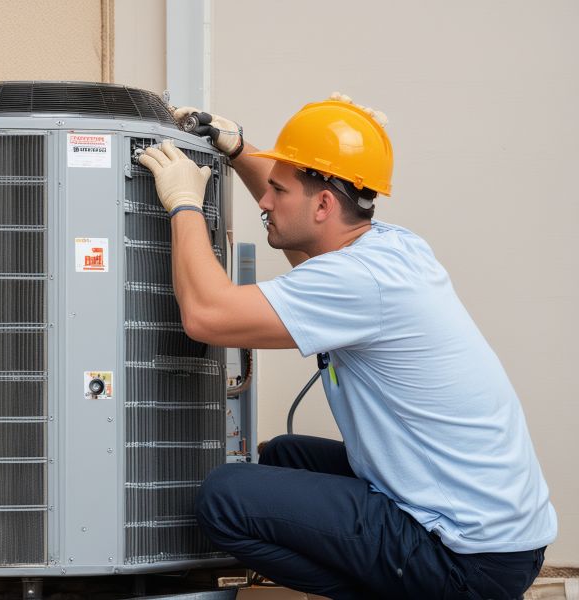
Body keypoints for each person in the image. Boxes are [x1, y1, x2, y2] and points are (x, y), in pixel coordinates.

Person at [137, 93, 557, 599]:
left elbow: (206, 315)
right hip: (503, 542)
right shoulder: (390, 247)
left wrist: (183, 203)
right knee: (285, 455)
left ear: (323, 205)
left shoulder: (359, 280)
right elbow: (305, 226)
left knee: (224, 497)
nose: (265, 202)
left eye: (277, 191)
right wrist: (241, 150)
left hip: (465, 558)